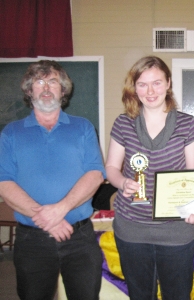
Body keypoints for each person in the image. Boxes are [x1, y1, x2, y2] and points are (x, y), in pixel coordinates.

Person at [0, 60, 106, 300]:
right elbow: (3, 182)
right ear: (29, 91)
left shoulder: (83, 128)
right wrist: (48, 219)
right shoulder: (11, 133)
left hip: (80, 240)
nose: (46, 88)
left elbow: (95, 173)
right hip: (32, 240)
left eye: (53, 82)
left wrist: (60, 209)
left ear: (63, 90)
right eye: (39, 82)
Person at [105, 56, 194, 300]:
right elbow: (110, 168)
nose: (150, 91)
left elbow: (193, 176)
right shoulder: (123, 123)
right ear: (134, 87)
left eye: (157, 83)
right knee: (140, 295)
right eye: (142, 84)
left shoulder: (188, 125)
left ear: (168, 83)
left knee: (177, 295)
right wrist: (122, 183)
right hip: (131, 229)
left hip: (177, 231)